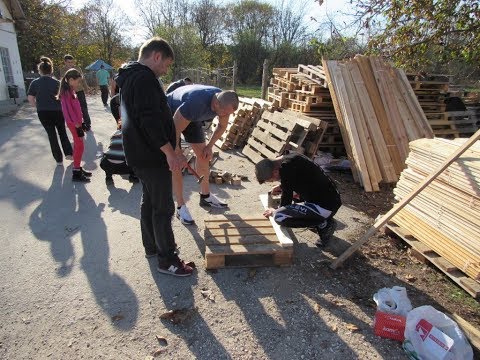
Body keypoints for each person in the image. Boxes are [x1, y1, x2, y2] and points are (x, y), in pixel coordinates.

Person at [115, 37, 194, 277]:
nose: (165, 70)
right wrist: (169, 152)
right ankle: (167, 260)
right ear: (156, 56)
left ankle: (152, 247)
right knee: (163, 207)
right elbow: (149, 120)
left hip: (140, 154)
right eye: (166, 64)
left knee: (149, 201)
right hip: (150, 155)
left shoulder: (130, 77)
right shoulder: (145, 79)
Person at [167, 85, 239, 225]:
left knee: (204, 156)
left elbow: (222, 126)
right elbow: (174, 129)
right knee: (176, 163)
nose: (225, 115)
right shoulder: (196, 103)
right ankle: (181, 207)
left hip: (192, 118)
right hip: (171, 115)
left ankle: (205, 196)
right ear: (216, 104)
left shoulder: (225, 103)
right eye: (224, 112)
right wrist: (178, 153)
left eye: (228, 113)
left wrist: (209, 146)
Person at [255, 153, 342, 247]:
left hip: (325, 207)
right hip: (332, 199)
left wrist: (274, 211)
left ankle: (324, 223)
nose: (274, 181)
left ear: (275, 172)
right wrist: (282, 186)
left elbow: (286, 201)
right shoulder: (291, 157)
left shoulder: (285, 170)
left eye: (272, 180)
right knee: (295, 195)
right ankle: (317, 219)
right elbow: (303, 178)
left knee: (279, 216)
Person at [27, 56, 73, 166]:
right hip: (57, 111)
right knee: (62, 132)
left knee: (51, 135)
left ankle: (58, 160)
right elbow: (65, 97)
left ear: (40, 70)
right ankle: (69, 153)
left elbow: (30, 98)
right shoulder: (58, 83)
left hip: (43, 112)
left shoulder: (35, 83)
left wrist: (37, 106)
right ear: (51, 70)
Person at [57, 69, 92, 182]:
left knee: (79, 145)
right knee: (80, 145)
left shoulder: (70, 90)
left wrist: (80, 121)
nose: (79, 83)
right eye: (78, 81)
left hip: (76, 123)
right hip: (74, 124)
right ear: (71, 80)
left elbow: (76, 108)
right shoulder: (66, 92)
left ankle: (77, 167)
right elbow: (67, 111)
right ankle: (76, 172)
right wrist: (77, 124)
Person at [60, 54, 92, 131]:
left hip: (79, 91)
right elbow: (62, 81)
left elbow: (83, 79)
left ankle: (87, 124)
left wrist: (86, 88)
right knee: (73, 109)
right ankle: (77, 124)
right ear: (65, 62)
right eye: (69, 62)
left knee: (83, 108)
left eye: (72, 62)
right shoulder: (62, 70)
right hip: (69, 93)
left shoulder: (77, 68)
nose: (71, 64)